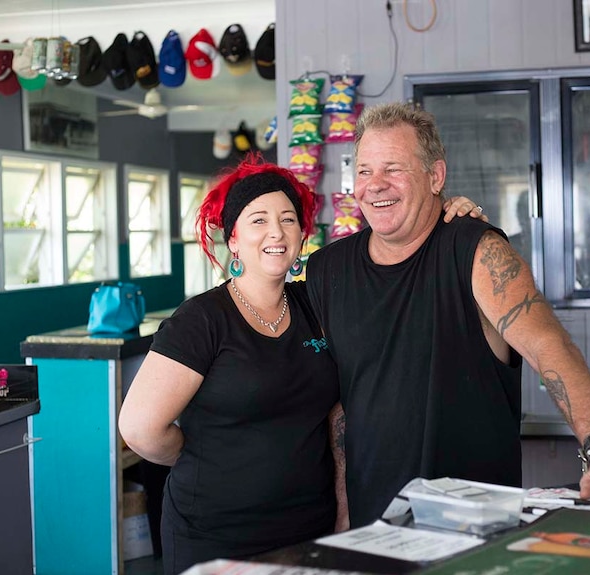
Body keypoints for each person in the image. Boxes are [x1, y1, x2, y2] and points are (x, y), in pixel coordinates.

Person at [118, 154, 485, 574]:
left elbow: (396, 268)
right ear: (233, 239)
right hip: (217, 533)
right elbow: (140, 429)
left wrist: (447, 224)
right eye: (258, 220)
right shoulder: (202, 320)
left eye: (288, 219)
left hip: (309, 527)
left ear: (302, 233)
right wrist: (195, 453)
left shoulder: (316, 303)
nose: (276, 232)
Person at [305, 102, 590, 529]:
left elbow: (550, 347)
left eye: (393, 169)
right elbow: (341, 403)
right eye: (364, 171)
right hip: (376, 529)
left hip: (474, 526)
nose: (375, 185)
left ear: (435, 176)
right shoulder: (327, 269)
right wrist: (344, 512)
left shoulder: (476, 250)